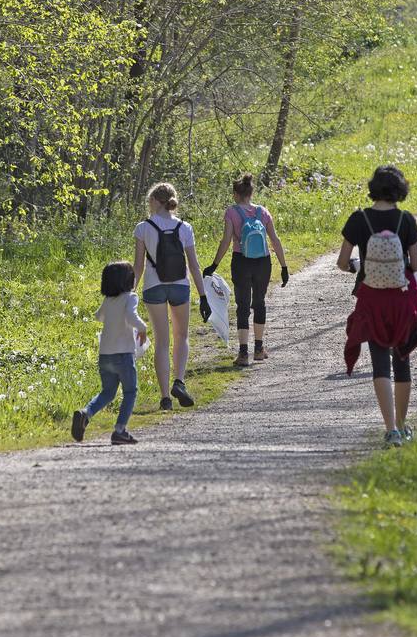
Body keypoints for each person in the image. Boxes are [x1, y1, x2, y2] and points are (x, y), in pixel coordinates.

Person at [338, 165, 417, 448]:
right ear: (399, 191)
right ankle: (404, 425)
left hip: (372, 299)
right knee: (402, 359)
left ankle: (391, 429)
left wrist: (357, 265)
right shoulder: (406, 220)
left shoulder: (359, 219)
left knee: (380, 363)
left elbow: (341, 261)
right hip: (401, 298)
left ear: (373, 188)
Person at [134, 183, 212, 411]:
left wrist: (129, 295)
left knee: (162, 340)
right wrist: (203, 295)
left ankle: (165, 397)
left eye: (149, 202)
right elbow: (194, 266)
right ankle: (179, 381)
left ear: (155, 202)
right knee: (181, 336)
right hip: (180, 285)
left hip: (153, 287)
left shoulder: (143, 228)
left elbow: (138, 267)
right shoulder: (185, 227)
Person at [202, 173, 289, 367]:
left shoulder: (231, 213)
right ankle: (259, 350)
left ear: (235, 194)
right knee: (259, 303)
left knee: (242, 306)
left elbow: (226, 240)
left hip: (241, 261)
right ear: (251, 193)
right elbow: (275, 240)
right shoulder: (263, 212)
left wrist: (214, 265)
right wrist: (284, 267)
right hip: (263, 262)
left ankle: (243, 354)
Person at [72, 261, 146, 446]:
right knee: (130, 391)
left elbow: (99, 316)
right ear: (127, 280)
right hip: (123, 354)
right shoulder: (131, 297)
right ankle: (120, 430)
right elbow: (130, 316)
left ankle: (85, 414)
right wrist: (143, 327)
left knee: (108, 392)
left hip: (105, 355)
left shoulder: (108, 300)